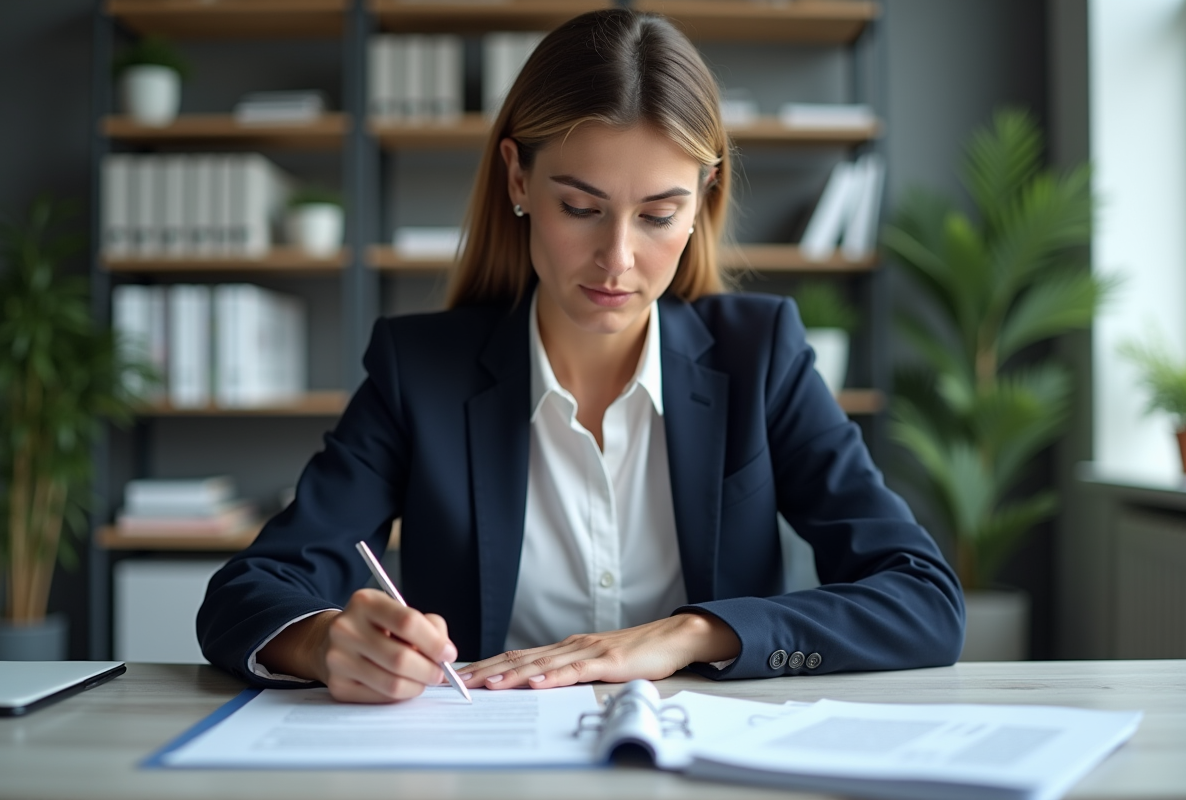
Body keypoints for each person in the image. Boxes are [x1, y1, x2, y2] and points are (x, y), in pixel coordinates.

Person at [197, 8, 964, 703]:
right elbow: (249, 591)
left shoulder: (761, 356)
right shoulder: (419, 371)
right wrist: (327, 641)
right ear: (518, 177)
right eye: (581, 208)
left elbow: (923, 597)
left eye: (659, 214)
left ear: (702, 201)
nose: (618, 259)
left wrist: (687, 634)